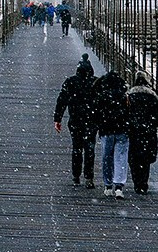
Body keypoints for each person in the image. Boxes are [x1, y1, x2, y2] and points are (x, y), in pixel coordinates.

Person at [52, 54, 97, 185]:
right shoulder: (96, 83)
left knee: (77, 148)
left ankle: (76, 175)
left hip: (75, 120)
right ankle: (89, 177)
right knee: (90, 149)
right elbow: (101, 103)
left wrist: (57, 118)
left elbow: (62, 101)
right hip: (91, 121)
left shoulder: (71, 82)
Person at [90, 67, 131, 196]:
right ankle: (119, 185)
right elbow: (129, 114)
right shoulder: (125, 97)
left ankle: (107, 185)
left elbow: (96, 114)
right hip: (122, 130)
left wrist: (98, 126)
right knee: (121, 157)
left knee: (106, 157)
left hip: (106, 131)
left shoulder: (101, 97)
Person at [126, 80, 158, 193]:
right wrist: (152, 124)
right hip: (148, 132)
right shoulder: (152, 97)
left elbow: (125, 113)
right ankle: (143, 182)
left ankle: (136, 182)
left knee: (134, 158)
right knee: (145, 159)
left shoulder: (129, 96)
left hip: (133, 132)